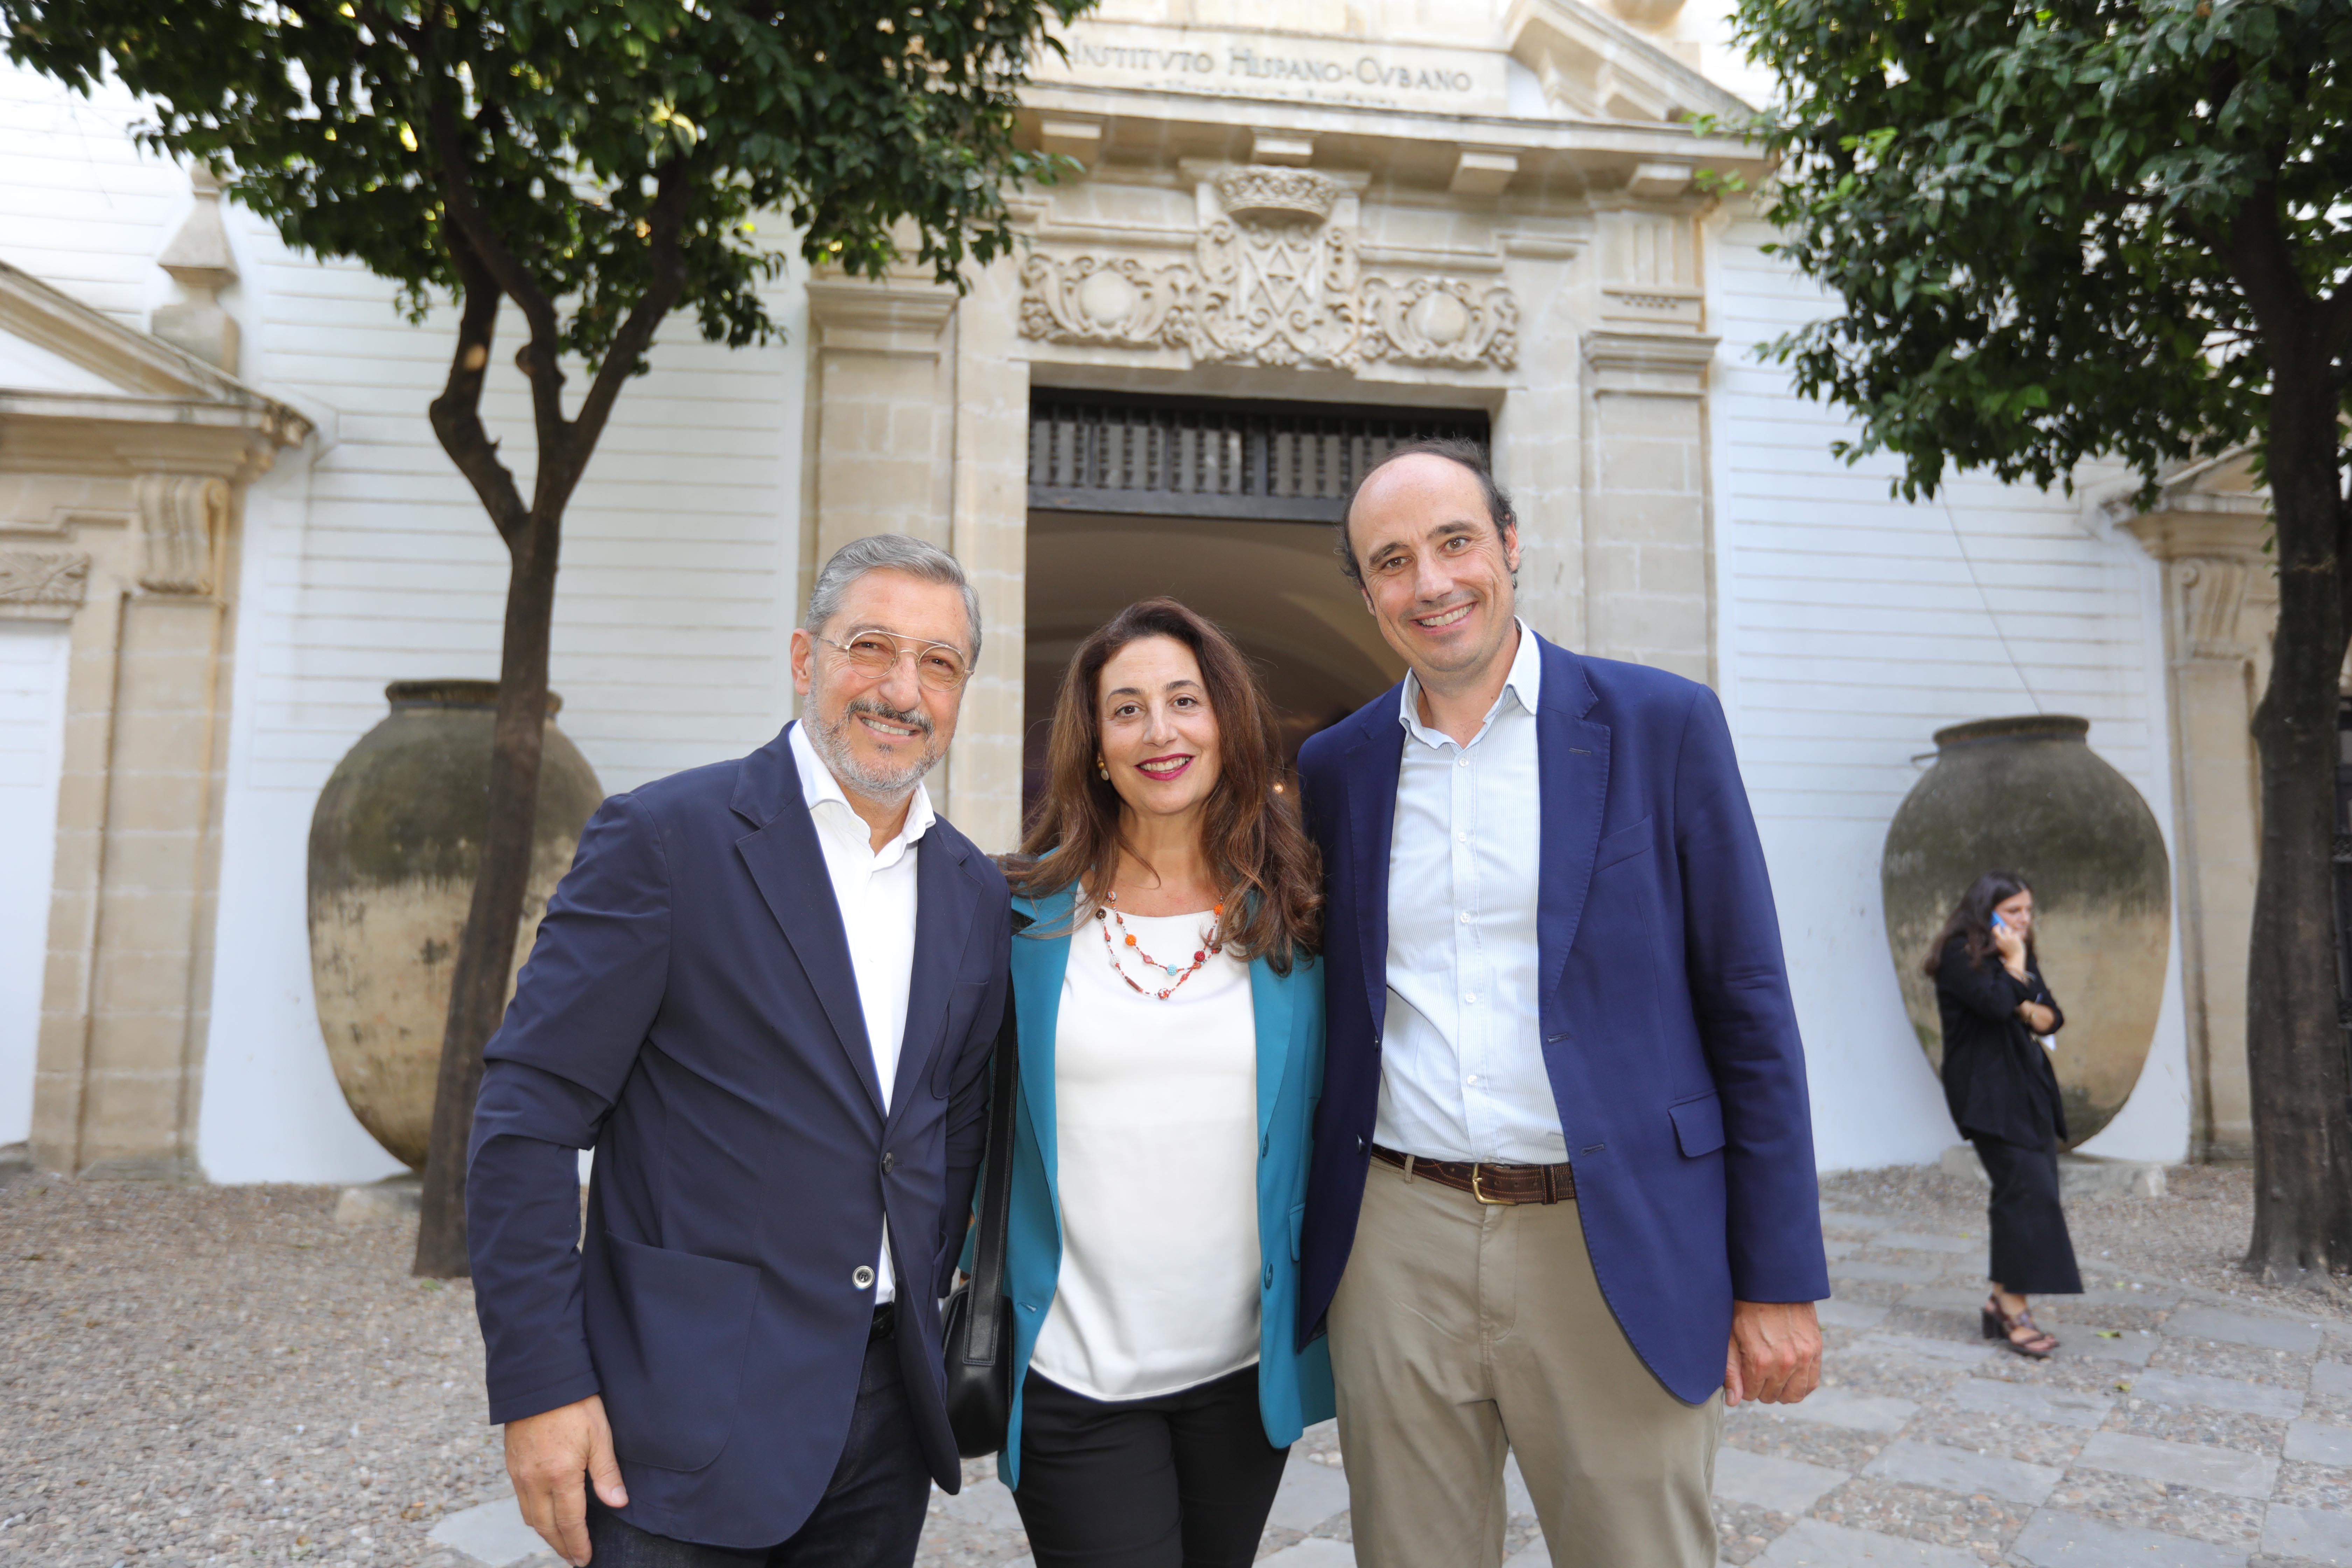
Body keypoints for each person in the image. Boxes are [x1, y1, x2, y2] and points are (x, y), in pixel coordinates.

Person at [1294, 439, 1830, 1568]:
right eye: (1393, 562)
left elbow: (1749, 1006)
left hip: (1613, 1230)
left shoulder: (1661, 725)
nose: (1431, 583)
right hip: (1399, 1237)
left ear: (1511, 547)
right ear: (1369, 593)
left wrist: (1776, 1278)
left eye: (1455, 543)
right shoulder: (1340, 768)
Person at [465, 534, 1011, 1567]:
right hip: (680, 1419)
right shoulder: (667, 841)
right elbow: (527, 1118)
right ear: (805, 660)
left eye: (937, 664)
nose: (901, 689)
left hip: (888, 1422)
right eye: (872, 648)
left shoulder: (974, 891)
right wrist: (542, 1385)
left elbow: (953, 1118)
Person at [986, 597, 1335, 1568]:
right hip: (1075, 1374)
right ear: (1097, 745)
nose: (1160, 731)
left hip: (1240, 1379)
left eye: (1185, 700)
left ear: (1226, 723)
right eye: (1127, 708)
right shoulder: (1017, 918)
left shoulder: (1298, 919)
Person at [1928, 870, 2080, 1357]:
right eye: (2014, 911)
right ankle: (2013, 1308)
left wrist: (2021, 990)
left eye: (2029, 911)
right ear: (1986, 910)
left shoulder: (2017, 953)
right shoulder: (1958, 954)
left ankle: (2002, 1301)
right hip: (1986, 1094)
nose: (2024, 920)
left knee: (2032, 1191)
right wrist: (2017, 976)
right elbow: (1997, 1005)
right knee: (2024, 1192)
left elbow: (2051, 1015)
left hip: (2028, 1089)